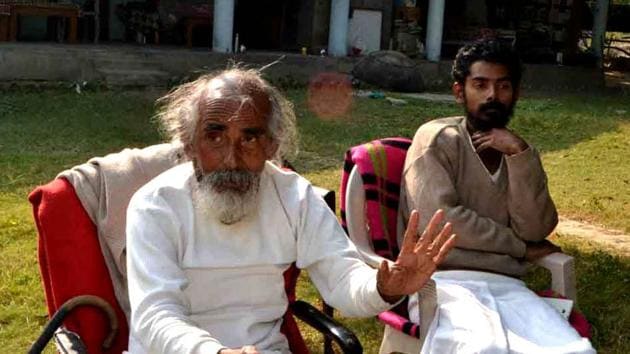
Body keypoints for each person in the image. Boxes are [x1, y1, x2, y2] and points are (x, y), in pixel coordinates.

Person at [125, 68, 457, 354]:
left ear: (272, 145)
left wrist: (384, 288)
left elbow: (341, 278)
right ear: (188, 143)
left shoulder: (294, 197)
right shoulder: (155, 205)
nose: (232, 157)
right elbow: (155, 314)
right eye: (215, 136)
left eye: (249, 139)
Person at [400, 39, 594, 353]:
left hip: (509, 284)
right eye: (480, 84)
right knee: (480, 348)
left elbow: (535, 229)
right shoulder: (436, 140)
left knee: (573, 349)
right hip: (443, 282)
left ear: (516, 93)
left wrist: (519, 155)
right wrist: (518, 247)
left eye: (503, 86)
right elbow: (442, 222)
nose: (493, 95)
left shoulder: (517, 151)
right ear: (459, 91)